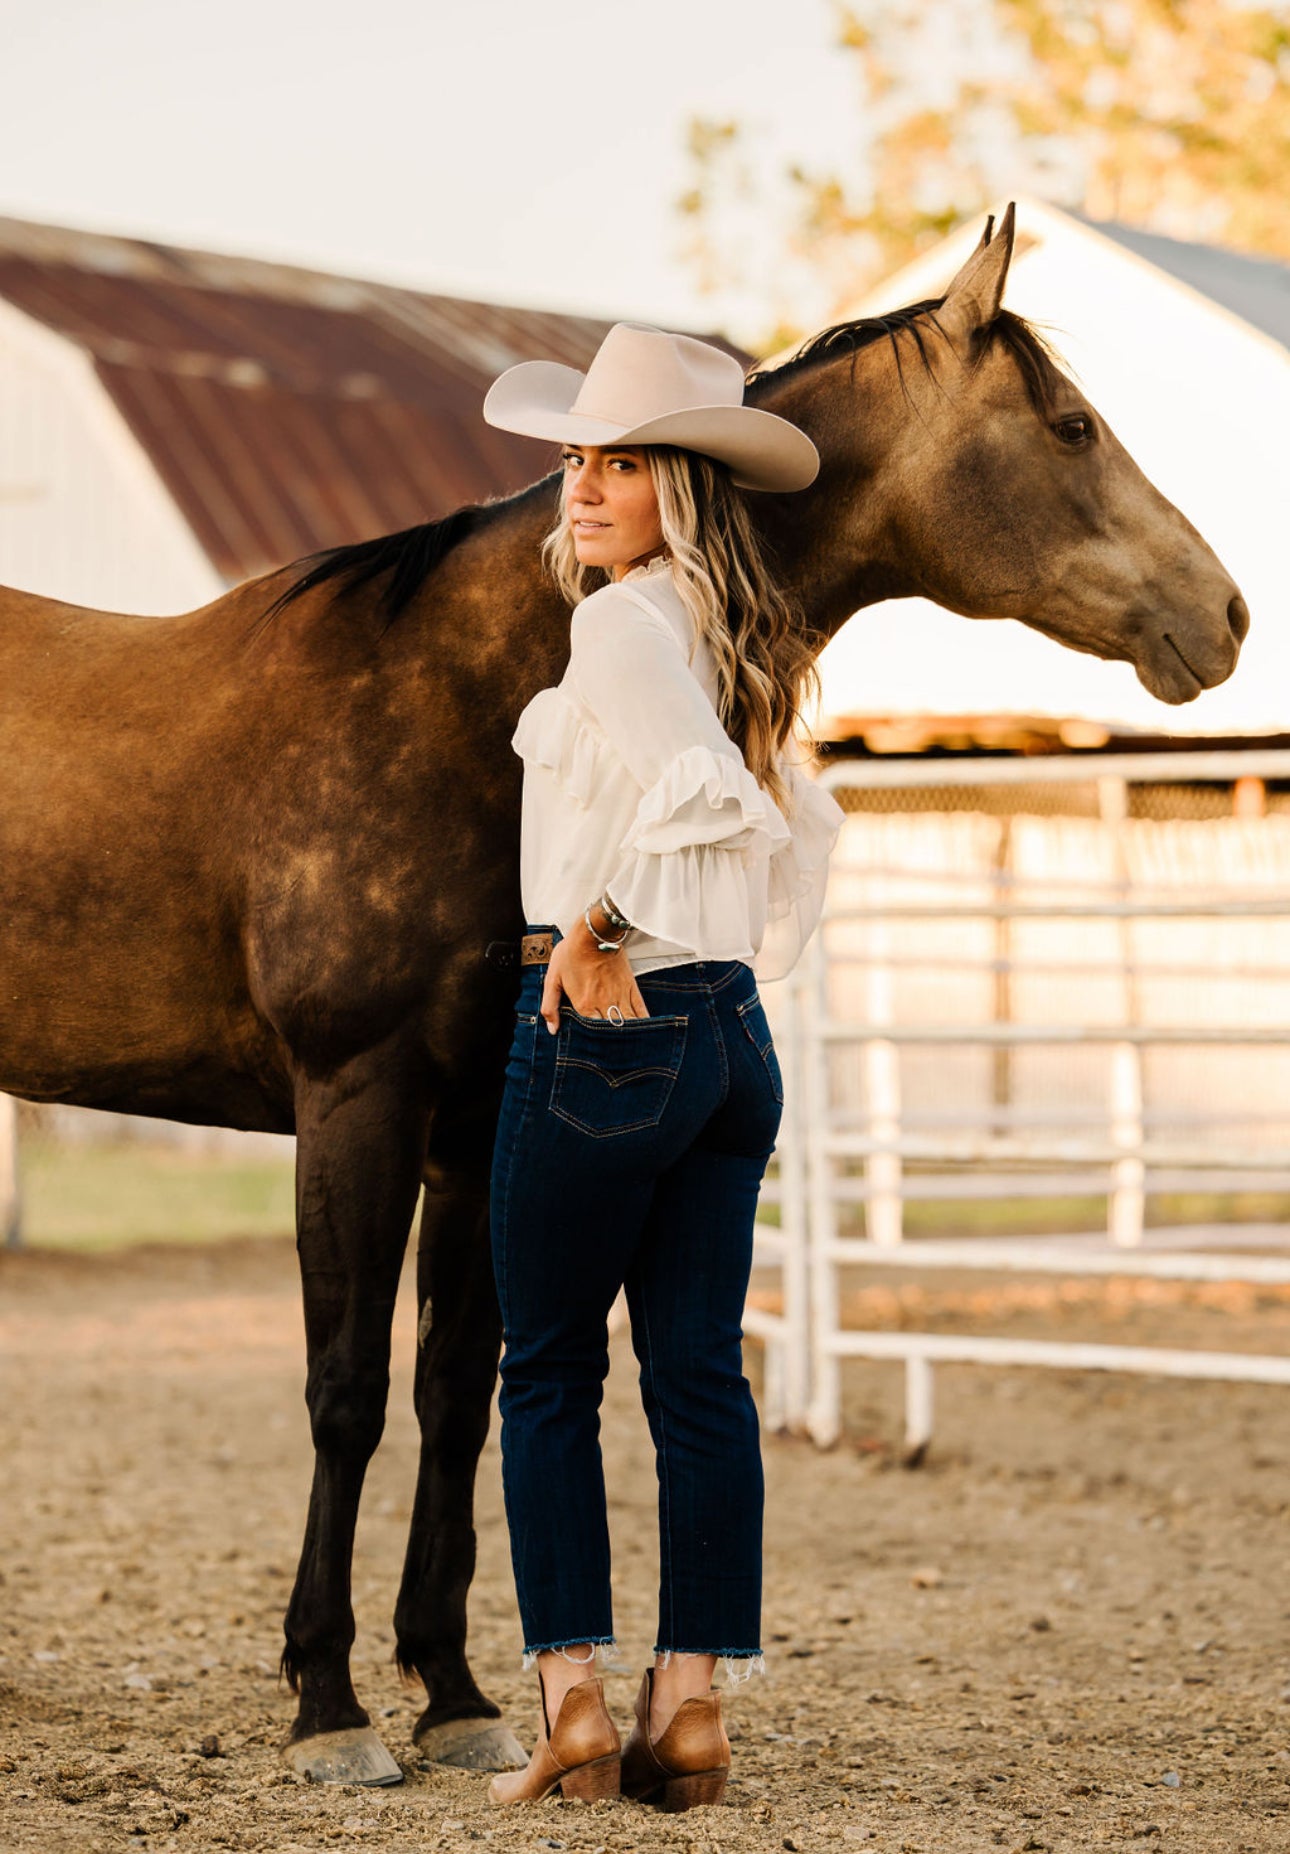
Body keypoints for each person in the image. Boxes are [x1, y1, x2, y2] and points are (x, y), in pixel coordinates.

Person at [480, 322, 844, 1809]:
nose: (582, 485)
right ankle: (687, 1713)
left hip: (605, 1036)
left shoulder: (622, 625)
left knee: (549, 1372)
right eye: (575, 457)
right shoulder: (725, 625)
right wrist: (697, 945)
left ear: (680, 486)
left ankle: (572, 1702)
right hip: (726, 1039)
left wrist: (605, 921)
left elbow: (703, 804)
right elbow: (795, 826)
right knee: (697, 1376)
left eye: (620, 463)